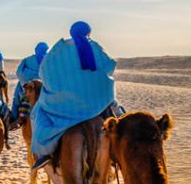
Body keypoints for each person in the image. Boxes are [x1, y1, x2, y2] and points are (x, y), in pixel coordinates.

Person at [31, 21, 122, 169]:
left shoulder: (57, 50)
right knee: (118, 113)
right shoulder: (94, 46)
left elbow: (43, 72)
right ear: (88, 33)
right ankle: (120, 152)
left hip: (64, 104)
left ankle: (44, 153)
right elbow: (110, 65)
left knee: (36, 114)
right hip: (95, 103)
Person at [10, 42, 49, 123]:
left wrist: (29, 77)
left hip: (38, 85)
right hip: (35, 85)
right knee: (17, 97)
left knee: (17, 98)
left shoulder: (48, 60)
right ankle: (15, 117)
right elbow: (19, 72)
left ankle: (15, 118)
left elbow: (20, 72)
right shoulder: (49, 59)